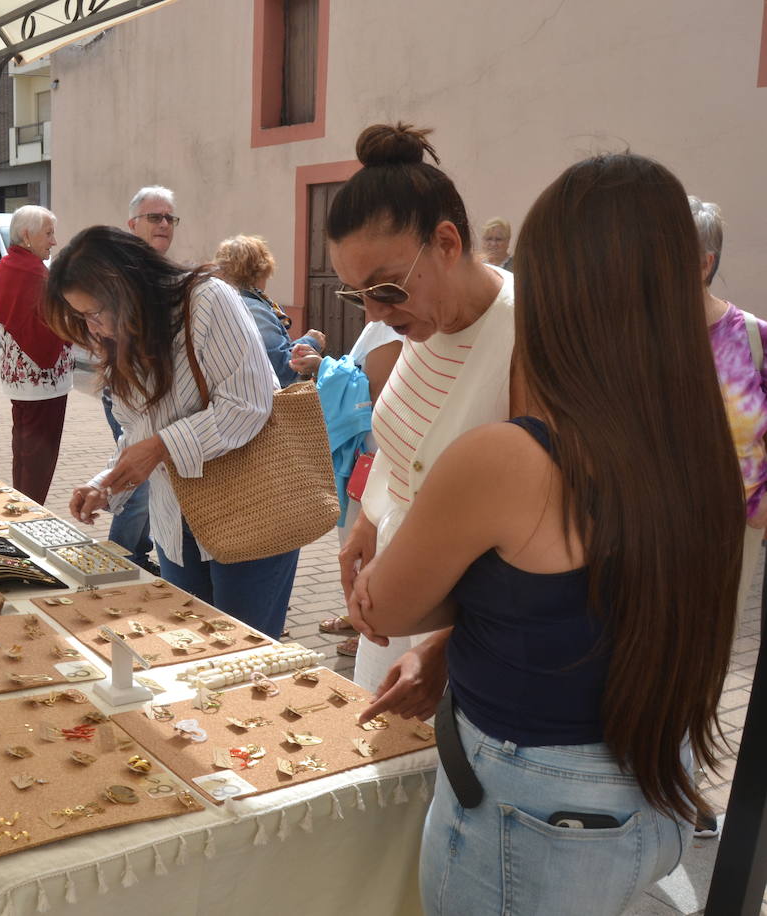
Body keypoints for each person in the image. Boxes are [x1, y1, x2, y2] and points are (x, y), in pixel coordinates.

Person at [347, 152, 741, 915]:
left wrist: (412, 592)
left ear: (551, 288)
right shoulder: (702, 443)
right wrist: (459, 635)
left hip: (534, 814)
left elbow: (382, 610)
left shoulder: (509, 458)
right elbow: (592, 604)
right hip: (654, 786)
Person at [330, 123, 517, 712]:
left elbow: (544, 526)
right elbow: (401, 442)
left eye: (385, 288)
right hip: (400, 603)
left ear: (447, 243)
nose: (376, 313)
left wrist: (446, 641)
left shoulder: (526, 334)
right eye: (356, 294)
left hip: (474, 628)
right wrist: (368, 519)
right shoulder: (426, 314)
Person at [48, 226, 298, 637]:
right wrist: (105, 485)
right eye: (81, 317)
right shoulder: (123, 335)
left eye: (94, 313)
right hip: (176, 523)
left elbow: (250, 404)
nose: (92, 329)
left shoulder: (207, 299)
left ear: (124, 289)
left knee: (243, 653)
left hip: (252, 510)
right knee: (191, 648)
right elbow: (138, 432)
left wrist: (162, 446)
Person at [689, 194, 767, 837]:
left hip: (726, 532)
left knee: (703, 656)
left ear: (703, 261)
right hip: (631, 524)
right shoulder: (630, 338)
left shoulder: (750, 338)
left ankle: (679, 780)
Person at [98, 185, 182, 573]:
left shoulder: (168, 275)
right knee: (140, 466)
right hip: (131, 389)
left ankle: (134, 551)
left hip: (163, 396)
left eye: (169, 218)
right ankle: (122, 555)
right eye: (155, 217)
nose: (164, 224)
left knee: (149, 468)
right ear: (132, 225)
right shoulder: (124, 276)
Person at [314, 319, 405, 657]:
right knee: (352, 541)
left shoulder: (393, 328)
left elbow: (374, 392)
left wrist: (323, 366)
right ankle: (357, 614)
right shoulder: (380, 323)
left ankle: (370, 625)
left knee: (368, 546)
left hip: (376, 456)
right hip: (362, 453)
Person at [0, 205, 71, 503]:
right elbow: (58, 325)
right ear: (26, 235)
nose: (53, 241)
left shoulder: (8, 265)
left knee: (24, 458)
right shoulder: (34, 273)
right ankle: (27, 520)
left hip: (21, 382)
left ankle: (21, 513)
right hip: (43, 386)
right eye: (48, 234)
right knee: (37, 464)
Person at [214, 234, 299, 387]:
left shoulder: (224, 303)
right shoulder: (254, 309)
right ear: (261, 270)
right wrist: (311, 342)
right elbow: (281, 370)